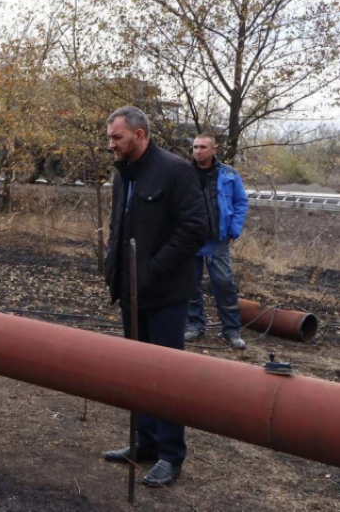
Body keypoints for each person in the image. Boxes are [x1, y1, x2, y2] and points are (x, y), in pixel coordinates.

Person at [102, 106, 207, 487]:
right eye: (110, 137)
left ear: (140, 135)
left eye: (117, 137)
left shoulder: (175, 171)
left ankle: (170, 454)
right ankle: (143, 442)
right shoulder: (123, 174)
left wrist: (154, 268)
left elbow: (196, 228)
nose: (110, 144)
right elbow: (119, 226)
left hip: (164, 294)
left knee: (165, 375)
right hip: (130, 293)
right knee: (136, 372)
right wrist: (114, 271)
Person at [186, 133, 249, 349]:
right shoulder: (183, 173)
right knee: (190, 284)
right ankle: (195, 326)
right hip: (189, 239)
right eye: (195, 147)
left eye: (203, 147)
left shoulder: (228, 174)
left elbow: (241, 202)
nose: (198, 151)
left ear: (214, 149)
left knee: (224, 284)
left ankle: (231, 331)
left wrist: (234, 228)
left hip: (218, 239)